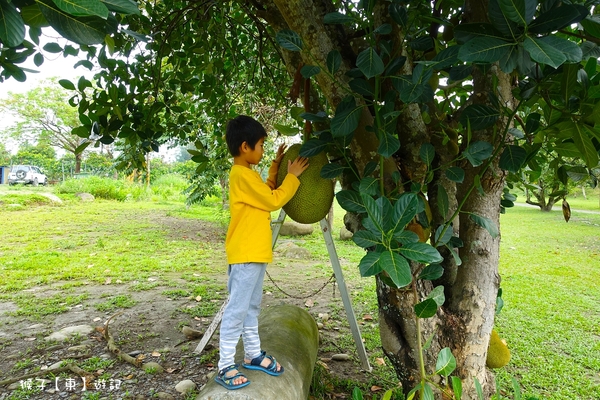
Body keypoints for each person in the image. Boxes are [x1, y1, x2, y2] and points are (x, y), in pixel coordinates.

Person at [215, 115, 309, 390]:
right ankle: (224, 365)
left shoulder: (248, 176)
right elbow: (272, 200)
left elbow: (265, 191)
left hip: (254, 254)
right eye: (260, 145)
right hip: (245, 255)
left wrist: (276, 167)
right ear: (245, 147)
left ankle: (253, 354)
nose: (263, 150)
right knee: (236, 310)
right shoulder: (240, 175)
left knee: (251, 307)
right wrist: (291, 178)